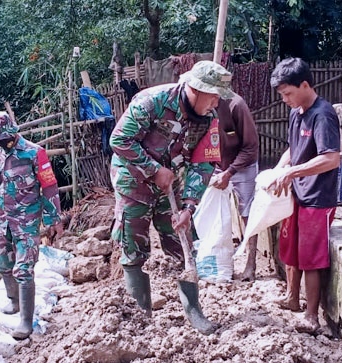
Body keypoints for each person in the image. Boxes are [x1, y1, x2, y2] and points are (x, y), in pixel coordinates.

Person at [109, 60, 234, 326]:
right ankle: (140, 316)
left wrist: (189, 207)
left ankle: (193, 311)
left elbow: (203, 166)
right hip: (134, 182)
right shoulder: (152, 102)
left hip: (172, 185)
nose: (216, 105)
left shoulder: (208, 120)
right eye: (213, 98)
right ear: (195, 89)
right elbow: (119, 140)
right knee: (133, 245)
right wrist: (153, 169)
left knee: (183, 243)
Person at [0, 111, 63, 339]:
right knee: (3, 266)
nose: (1, 143)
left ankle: (26, 322)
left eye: (4, 138)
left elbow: (49, 187)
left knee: (24, 271)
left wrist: (53, 219)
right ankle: (14, 302)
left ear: (14, 133)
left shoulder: (34, 153)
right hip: (2, 222)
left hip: (26, 224)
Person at [268, 58, 340, 332]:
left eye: (288, 93)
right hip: (298, 193)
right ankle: (291, 298)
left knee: (311, 257)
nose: (285, 99)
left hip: (318, 198)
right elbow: (292, 150)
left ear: (305, 84)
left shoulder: (323, 114)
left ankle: (312, 316)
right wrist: (279, 170)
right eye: (282, 95)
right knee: (289, 249)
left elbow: (331, 158)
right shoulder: (296, 112)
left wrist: (292, 172)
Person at [209, 92, 260, 281]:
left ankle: (251, 265)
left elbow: (250, 147)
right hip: (215, 163)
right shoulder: (197, 106)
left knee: (247, 212)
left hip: (242, 164)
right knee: (208, 210)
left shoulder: (236, 105)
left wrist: (229, 172)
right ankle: (215, 261)